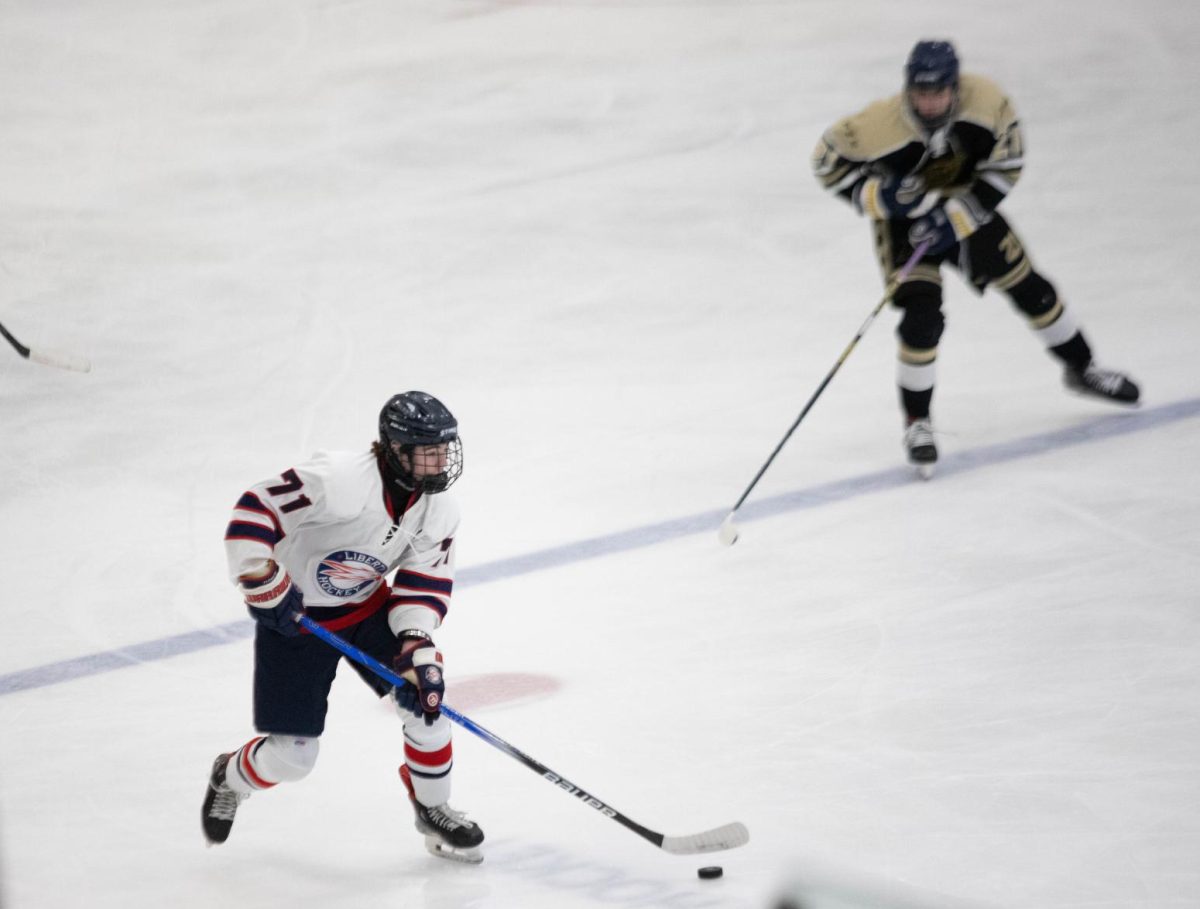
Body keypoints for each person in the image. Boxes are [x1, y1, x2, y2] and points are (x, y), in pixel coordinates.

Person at [812, 39, 1139, 477]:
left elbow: (1009, 164)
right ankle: (917, 423)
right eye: (919, 93)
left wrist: (956, 219)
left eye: (938, 92)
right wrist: (883, 198)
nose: (928, 103)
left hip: (969, 206)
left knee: (1033, 291)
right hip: (905, 225)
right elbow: (826, 161)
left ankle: (1083, 369)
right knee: (922, 321)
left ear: (955, 87)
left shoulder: (987, 104)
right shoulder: (875, 126)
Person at [201, 390, 485, 863]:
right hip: (295, 620)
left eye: (444, 451)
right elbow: (254, 510)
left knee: (428, 703)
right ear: (395, 450)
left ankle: (433, 810)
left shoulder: (439, 511)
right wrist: (260, 577)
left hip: (367, 609)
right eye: (428, 452)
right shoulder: (337, 482)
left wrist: (416, 648)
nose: (440, 463)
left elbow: (422, 585)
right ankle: (229, 777)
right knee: (293, 759)